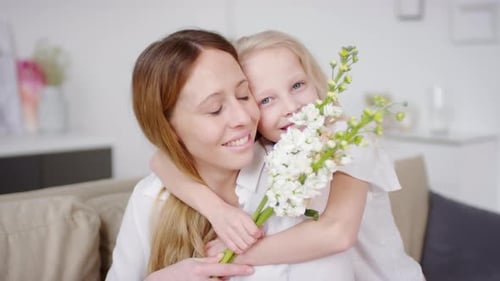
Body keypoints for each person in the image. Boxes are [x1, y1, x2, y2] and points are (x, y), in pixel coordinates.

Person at [151, 30, 426, 280]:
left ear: (315, 82)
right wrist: (216, 210)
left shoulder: (348, 138)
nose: (292, 107)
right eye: (266, 100)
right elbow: (162, 160)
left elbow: (337, 234)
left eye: (297, 86)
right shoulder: (266, 151)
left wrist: (237, 252)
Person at [105, 29, 260, 281]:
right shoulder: (151, 199)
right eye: (215, 109)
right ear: (169, 127)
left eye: (244, 95)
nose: (243, 117)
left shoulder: (287, 167)